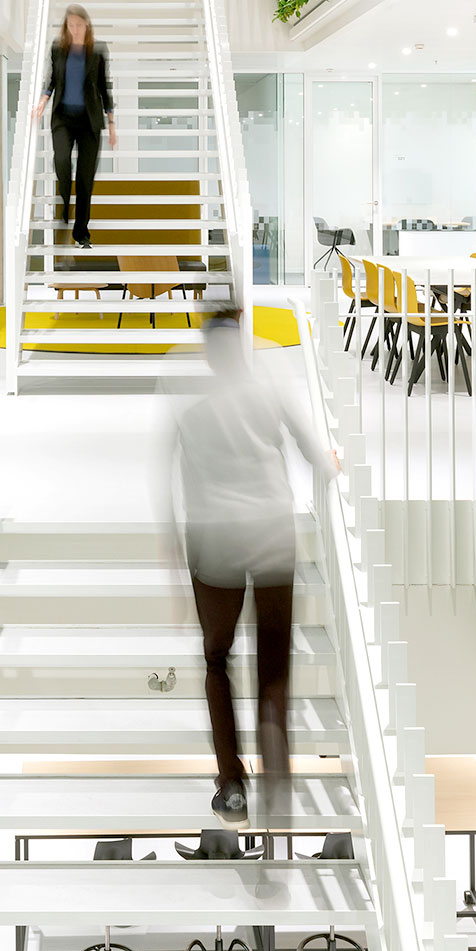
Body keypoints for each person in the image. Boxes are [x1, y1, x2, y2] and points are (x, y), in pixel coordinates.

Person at [165, 311, 340, 829]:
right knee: (274, 673)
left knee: (216, 660)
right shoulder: (271, 390)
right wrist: (335, 460)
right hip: (271, 538)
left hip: (214, 542)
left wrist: (171, 553)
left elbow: (165, 485)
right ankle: (279, 783)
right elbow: (320, 460)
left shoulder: (188, 406)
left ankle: (232, 785)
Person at [32, 4, 116, 249]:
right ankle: (65, 204)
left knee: (85, 179)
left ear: (86, 25)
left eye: (79, 25)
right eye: (71, 25)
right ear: (66, 27)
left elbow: (103, 86)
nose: (75, 29)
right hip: (63, 118)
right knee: (61, 161)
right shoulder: (58, 49)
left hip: (89, 121)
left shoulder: (98, 51)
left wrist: (111, 123)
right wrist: (42, 101)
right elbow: (53, 80)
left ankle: (82, 233)